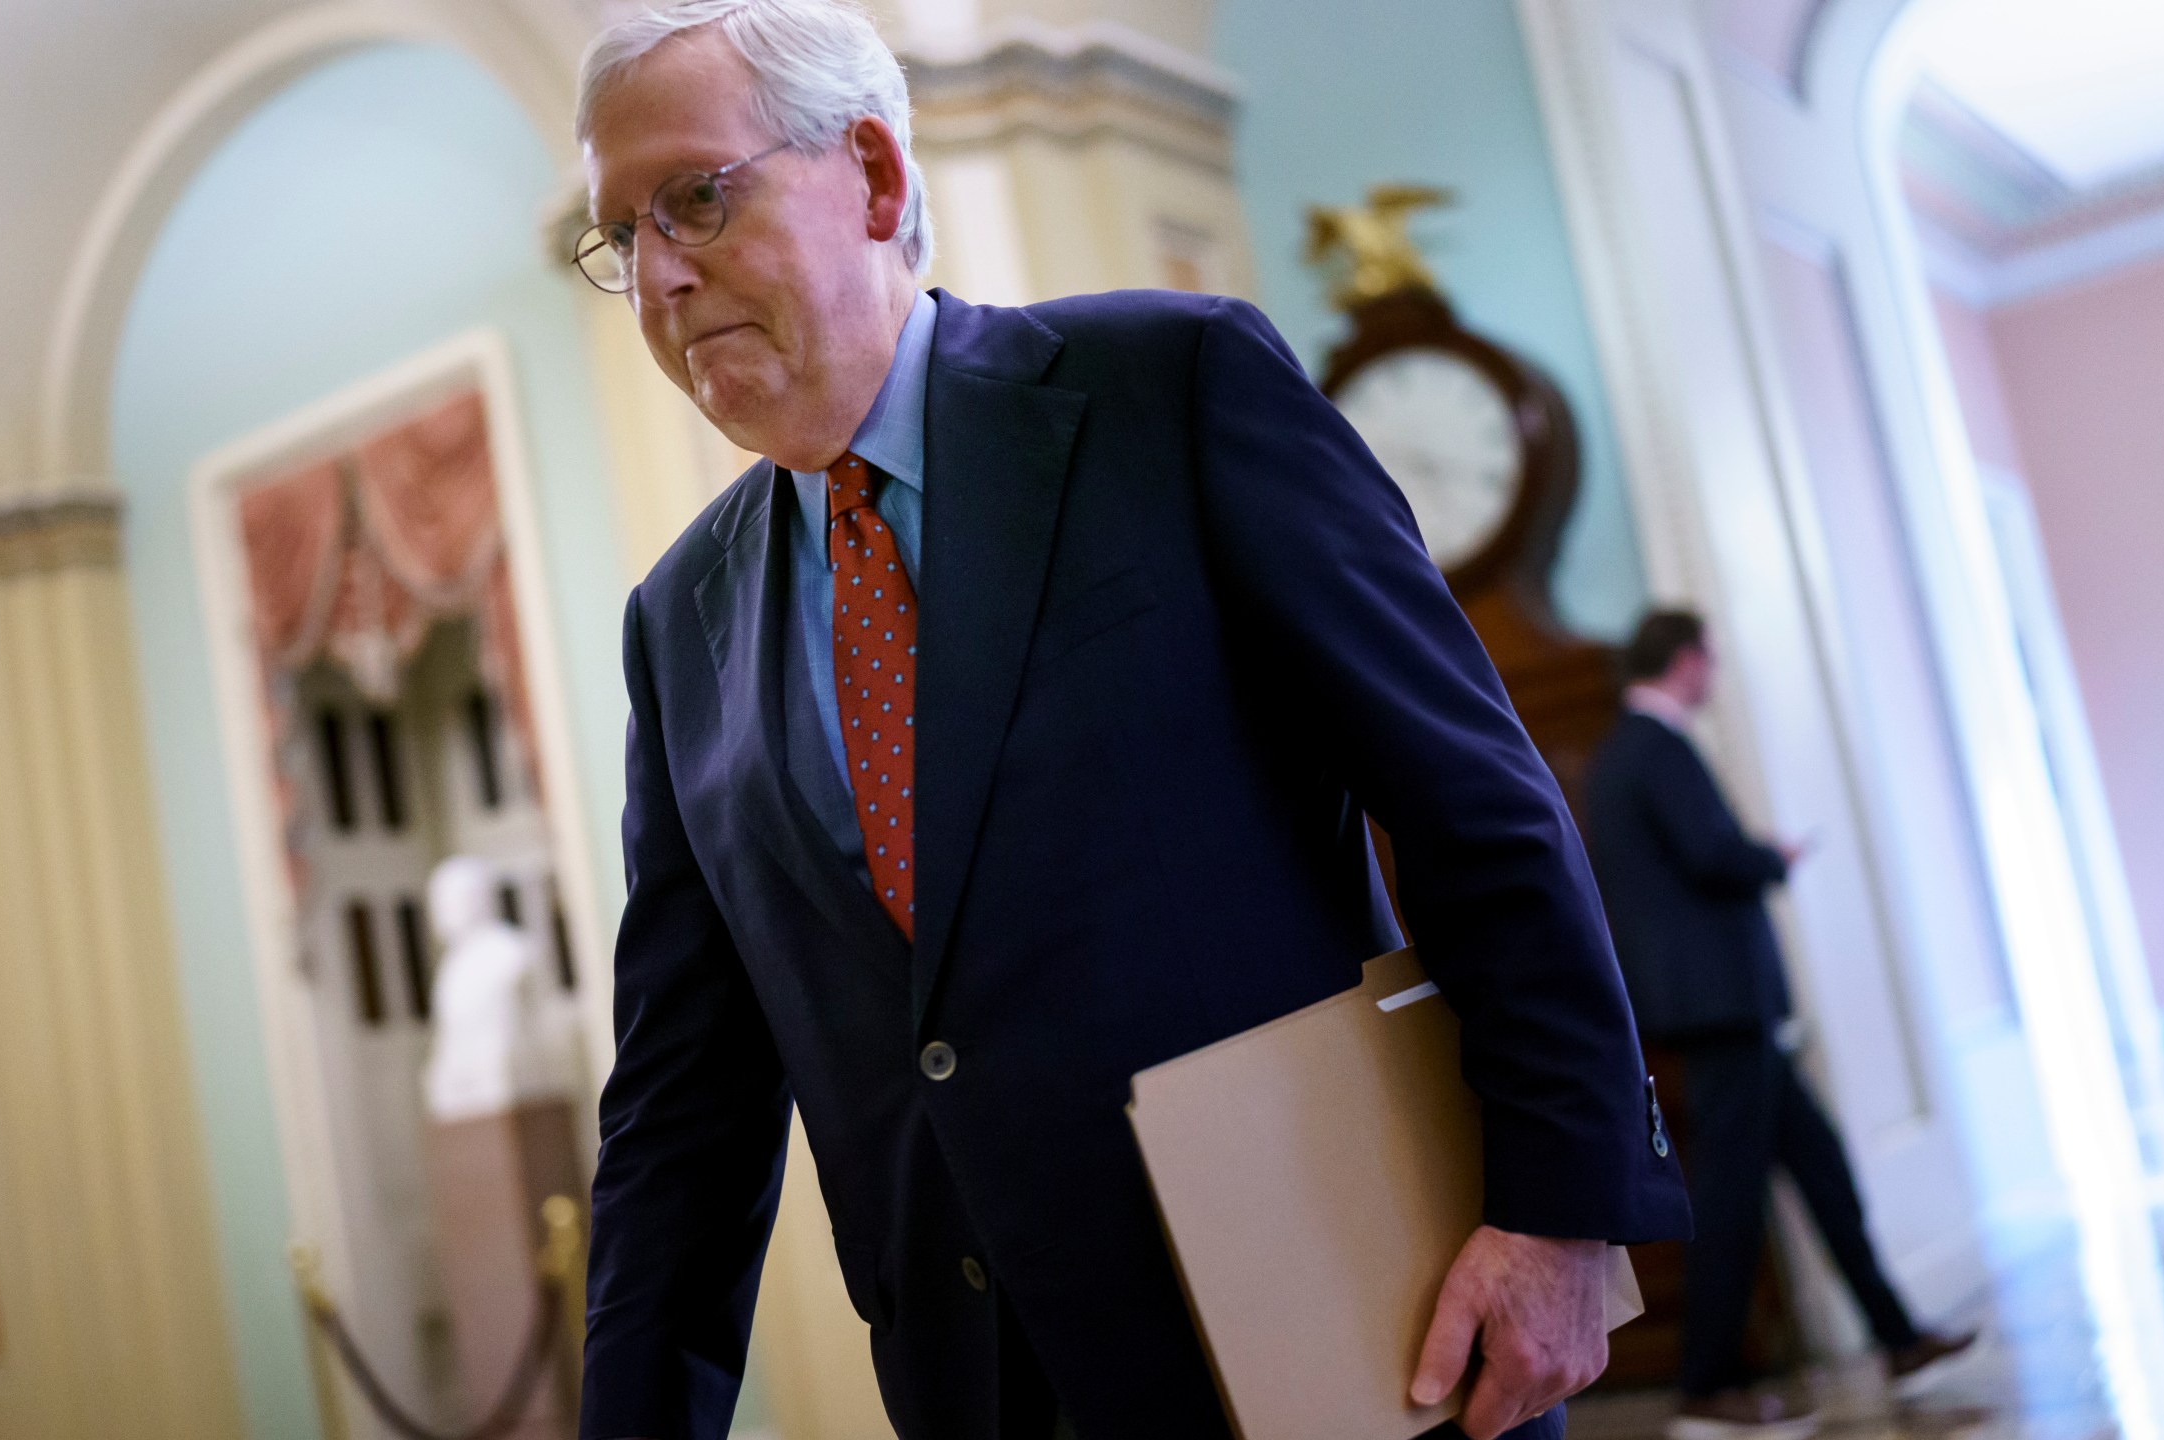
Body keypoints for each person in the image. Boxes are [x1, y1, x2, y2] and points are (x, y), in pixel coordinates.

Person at [572, 3, 1689, 1436]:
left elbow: (1476, 806)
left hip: (1354, 1334)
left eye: (696, 199)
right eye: (621, 237)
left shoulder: (1170, 391)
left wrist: (1563, 1209)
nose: (659, 275)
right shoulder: (678, 625)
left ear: (875, 175)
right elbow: (685, 1106)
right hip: (988, 1392)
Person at [1583, 611, 1975, 1435]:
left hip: (1722, 1010)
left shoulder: (1628, 753)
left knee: (1820, 1164)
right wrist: (1774, 858)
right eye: (1710, 660)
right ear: (1686, 661)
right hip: (1720, 1006)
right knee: (1729, 1192)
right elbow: (1711, 854)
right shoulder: (1657, 746)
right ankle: (1707, 1385)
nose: (1713, 674)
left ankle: (1897, 1337)